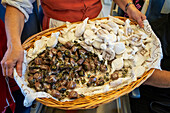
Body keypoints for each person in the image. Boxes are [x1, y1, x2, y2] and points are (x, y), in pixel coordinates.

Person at [0, 0, 146, 112]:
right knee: (64, 94)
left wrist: (129, 7)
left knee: (93, 91)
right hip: (59, 31)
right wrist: (13, 44)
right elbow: (18, 4)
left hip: (97, 30)